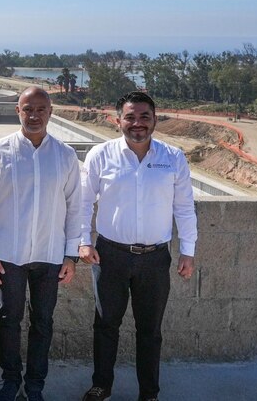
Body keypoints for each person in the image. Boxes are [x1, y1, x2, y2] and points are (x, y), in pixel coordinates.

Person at [78, 92, 197, 401]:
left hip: (155, 259)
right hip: (110, 256)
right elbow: (83, 203)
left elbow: (184, 207)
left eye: (145, 116)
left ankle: (149, 393)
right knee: (106, 324)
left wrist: (188, 251)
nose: (137, 123)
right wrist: (83, 241)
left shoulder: (173, 157)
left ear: (155, 120)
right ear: (118, 120)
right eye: (130, 117)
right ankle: (101, 386)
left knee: (150, 330)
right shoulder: (101, 155)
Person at [0, 87, 82, 401]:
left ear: (50, 112)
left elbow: (75, 207)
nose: (34, 115)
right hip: (9, 255)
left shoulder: (65, 155)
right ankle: (10, 381)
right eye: (28, 109)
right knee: (9, 320)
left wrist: (71, 255)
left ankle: (35, 386)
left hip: (50, 255)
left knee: (43, 323)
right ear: (18, 111)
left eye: (40, 109)